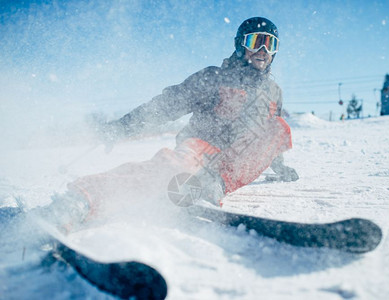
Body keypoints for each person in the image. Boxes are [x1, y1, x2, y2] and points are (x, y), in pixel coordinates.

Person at [41, 17, 298, 229]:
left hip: (233, 163)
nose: (263, 52)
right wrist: (120, 127)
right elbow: (166, 105)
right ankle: (81, 200)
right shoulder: (215, 77)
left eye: (270, 44)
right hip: (201, 146)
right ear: (241, 45)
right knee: (171, 166)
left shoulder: (274, 92)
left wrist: (279, 165)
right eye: (256, 42)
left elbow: (268, 138)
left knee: (279, 128)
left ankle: (211, 185)